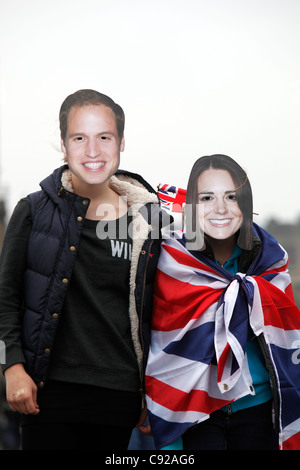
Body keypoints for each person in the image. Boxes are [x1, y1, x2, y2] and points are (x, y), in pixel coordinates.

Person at [0, 89, 169, 450]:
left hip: (120, 396)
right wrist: (11, 367)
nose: (93, 151)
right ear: (63, 144)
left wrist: (155, 389)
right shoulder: (32, 211)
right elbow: (4, 302)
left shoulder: (151, 220)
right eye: (80, 138)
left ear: (121, 142)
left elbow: (166, 310)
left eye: (104, 137)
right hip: (47, 395)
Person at [145, 154, 300, 450]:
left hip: (258, 411)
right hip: (195, 414)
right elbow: (156, 341)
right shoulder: (170, 260)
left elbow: (287, 340)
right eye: (206, 198)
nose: (220, 208)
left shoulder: (271, 260)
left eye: (231, 197)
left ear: (246, 204)